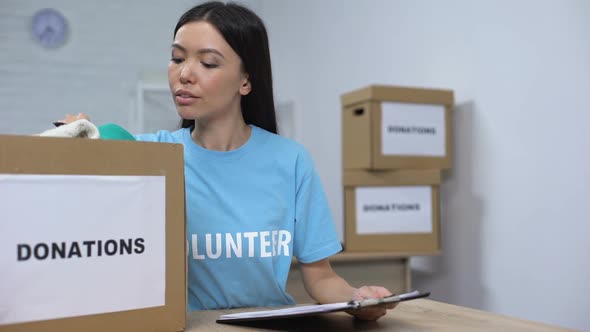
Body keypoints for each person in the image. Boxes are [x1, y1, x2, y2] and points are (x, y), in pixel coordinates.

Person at [61, 1, 396, 320]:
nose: (184, 74)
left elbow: (321, 278)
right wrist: (75, 142)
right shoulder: (150, 158)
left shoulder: (291, 160)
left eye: (207, 63)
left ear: (246, 80)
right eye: (177, 58)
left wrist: (358, 299)